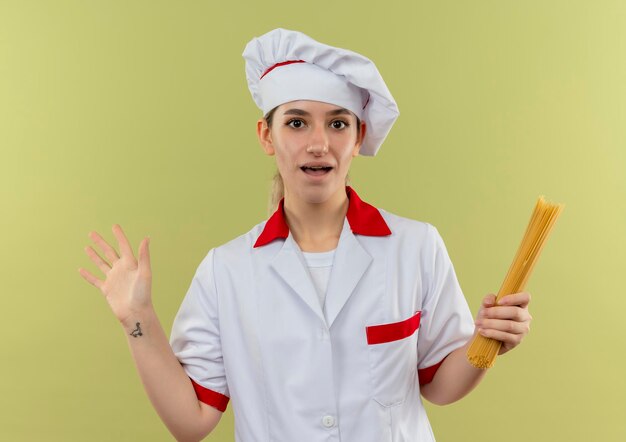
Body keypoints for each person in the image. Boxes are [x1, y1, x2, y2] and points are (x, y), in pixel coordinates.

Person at [78, 28, 532, 442]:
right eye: (296, 122)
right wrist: (138, 320)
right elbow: (191, 420)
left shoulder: (415, 247)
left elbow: (439, 385)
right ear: (266, 135)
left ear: (358, 138)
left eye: (338, 123)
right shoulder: (227, 270)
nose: (319, 143)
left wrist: (485, 342)